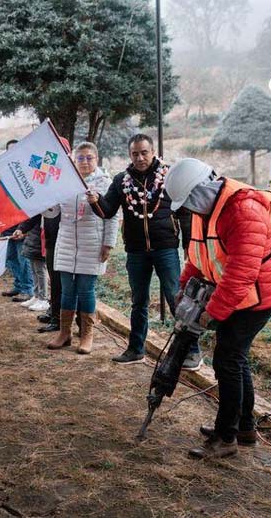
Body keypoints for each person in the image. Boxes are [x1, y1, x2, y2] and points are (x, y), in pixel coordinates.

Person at [164, 158, 271, 460]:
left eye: (188, 202)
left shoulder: (244, 211)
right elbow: (197, 256)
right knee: (236, 360)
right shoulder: (206, 211)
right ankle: (244, 427)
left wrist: (213, 311)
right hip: (236, 297)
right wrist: (184, 288)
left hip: (255, 301)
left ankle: (226, 437)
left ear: (202, 189)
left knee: (227, 361)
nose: (187, 209)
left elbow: (242, 272)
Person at [87, 134, 200, 370]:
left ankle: (192, 352)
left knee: (176, 299)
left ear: (153, 151)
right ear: (130, 155)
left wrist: (189, 246)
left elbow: (185, 213)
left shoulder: (169, 176)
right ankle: (136, 349)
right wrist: (95, 200)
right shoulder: (121, 181)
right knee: (139, 301)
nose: (139, 158)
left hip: (166, 248)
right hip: (136, 251)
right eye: (135, 154)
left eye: (144, 152)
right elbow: (107, 211)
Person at [48, 142, 119, 353]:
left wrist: (108, 244)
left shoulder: (105, 183)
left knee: (86, 290)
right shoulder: (64, 181)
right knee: (67, 290)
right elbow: (53, 212)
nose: (85, 162)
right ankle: (65, 333)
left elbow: (112, 216)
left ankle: (87, 334)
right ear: (73, 160)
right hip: (67, 241)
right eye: (80, 158)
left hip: (92, 243)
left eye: (89, 158)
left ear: (96, 159)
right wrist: (46, 199)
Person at [0, 139, 34, 302]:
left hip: (22, 224)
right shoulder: (3, 173)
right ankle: (19, 285)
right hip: (6, 223)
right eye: (10, 150)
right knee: (10, 257)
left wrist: (25, 227)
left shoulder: (27, 174)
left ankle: (27, 289)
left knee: (23, 258)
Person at [12, 215, 50, 312]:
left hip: (42, 239)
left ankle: (43, 299)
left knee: (40, 271)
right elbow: (31, 219)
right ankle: (36, 296)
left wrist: (22, 229)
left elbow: (34, 219)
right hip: (33, 238)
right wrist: (21, 229)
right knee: (34, 269)